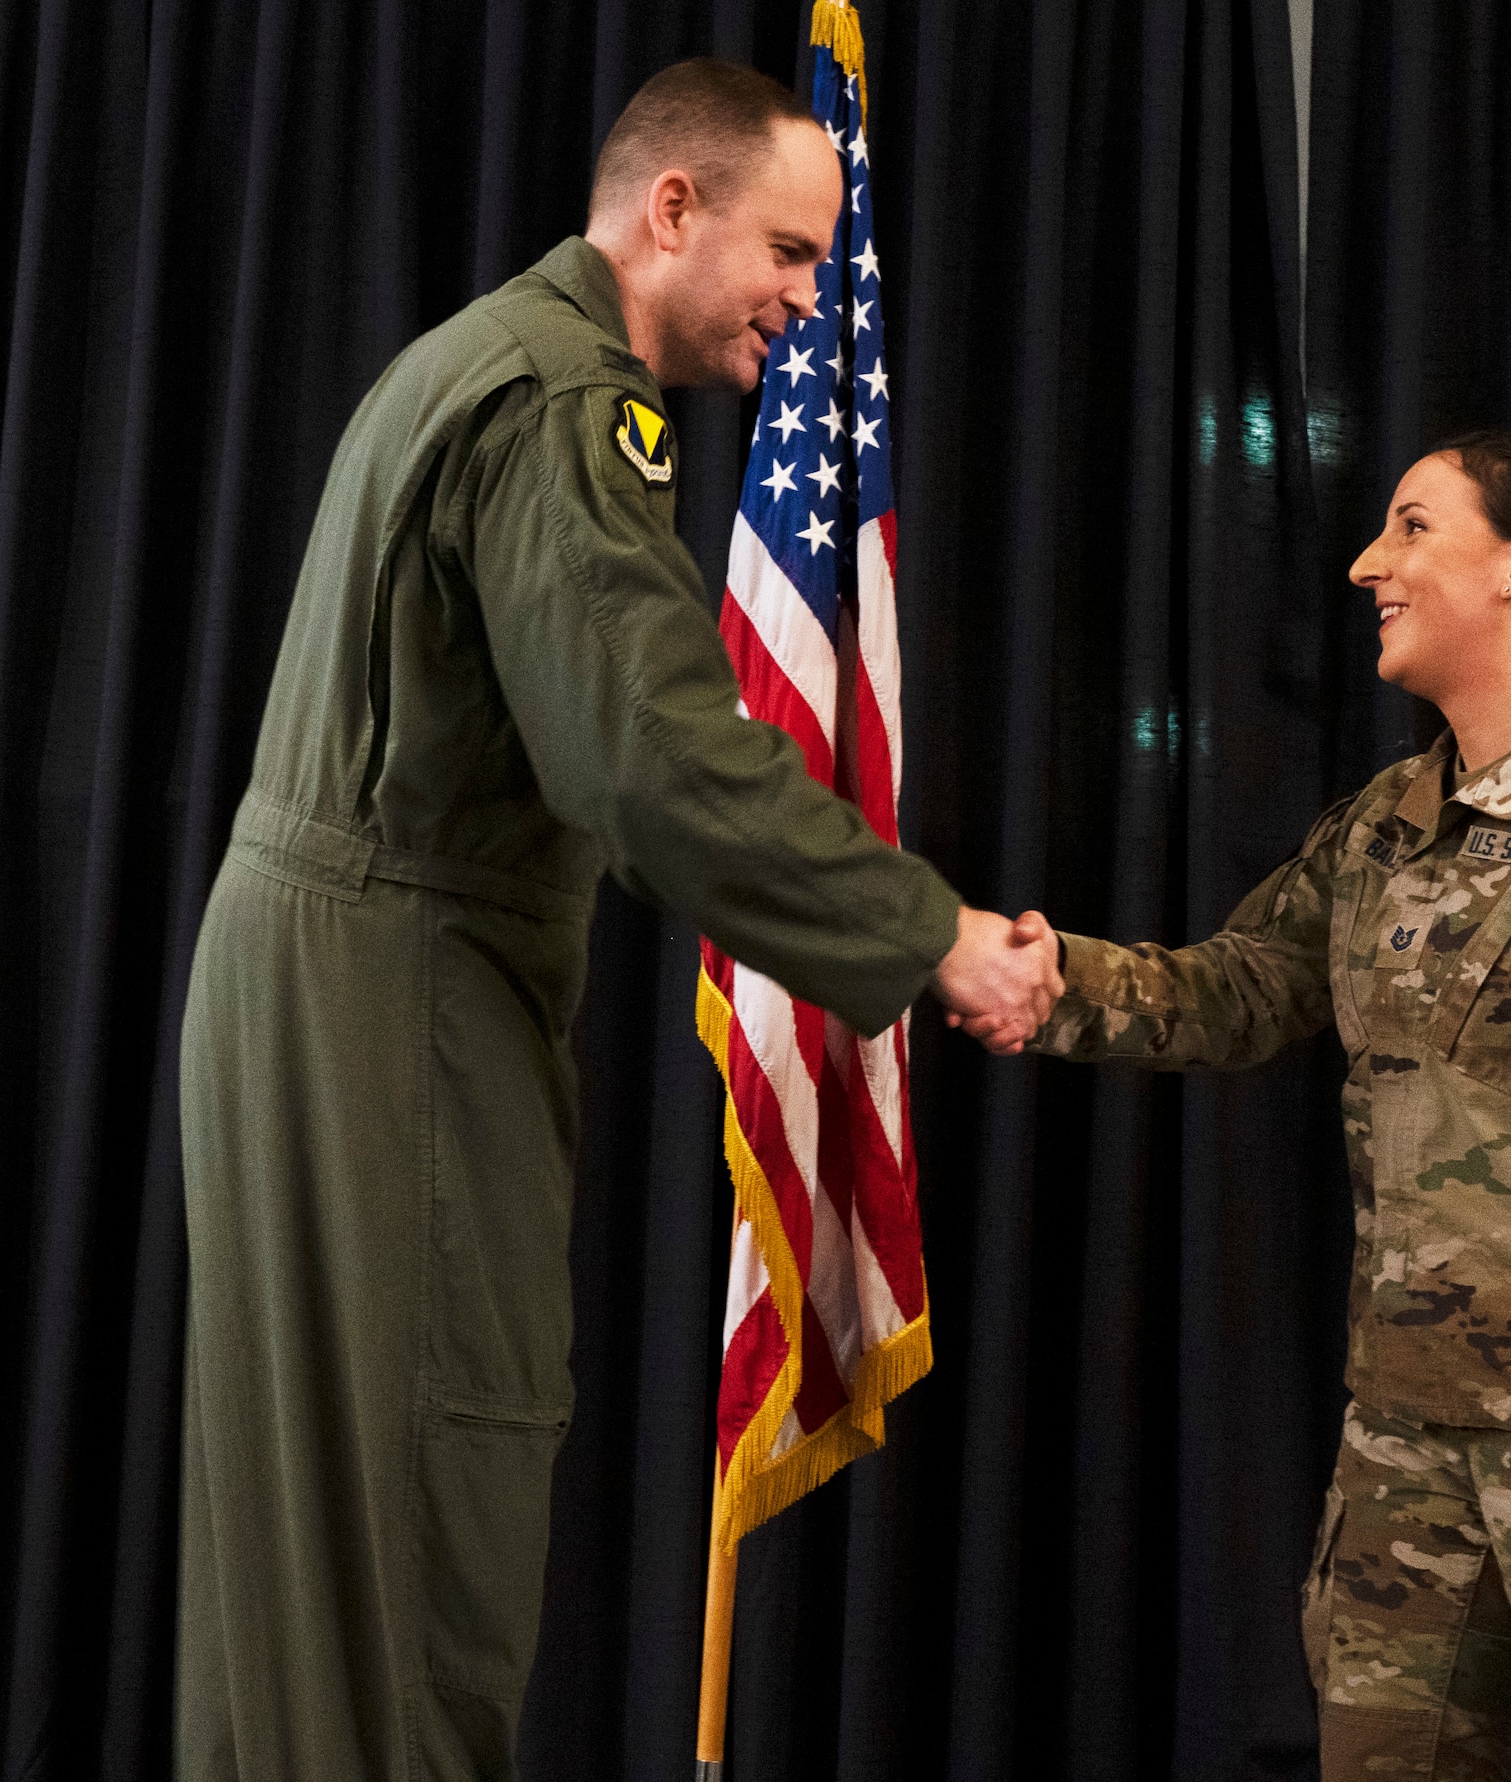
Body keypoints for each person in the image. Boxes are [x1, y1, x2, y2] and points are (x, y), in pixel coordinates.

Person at [176, 58, 1060, 1782]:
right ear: (672, 210)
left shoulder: (479, 352)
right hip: (398, 997)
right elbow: (651, 760)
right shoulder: (569, 403)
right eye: (790, 256)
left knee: (308, 1553)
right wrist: (927, 933)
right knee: (422, 1528)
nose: (809, 305)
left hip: (331, 972)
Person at [990, 432, 1511, 1780]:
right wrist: (1036, 976)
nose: (1366, 562)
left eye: (1411, 527)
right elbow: (1235, 991)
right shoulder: (1386, 821)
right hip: (1407, 1454)